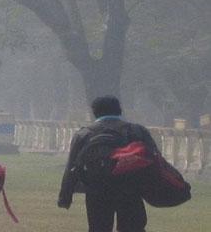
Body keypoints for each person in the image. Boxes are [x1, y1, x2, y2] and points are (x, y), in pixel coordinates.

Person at [58, 95, 160, 232]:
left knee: (99, 228)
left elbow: (71, 166)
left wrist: (65, 195)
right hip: (130, 188)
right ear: (119, 110)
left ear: (94, 112)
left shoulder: (84, 134)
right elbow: (154, 159)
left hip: (96, 189)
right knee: (133, 228)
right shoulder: (136, 131)